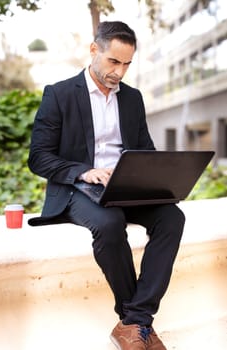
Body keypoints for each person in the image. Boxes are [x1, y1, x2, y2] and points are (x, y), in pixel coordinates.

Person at [28, 21, 185, 350]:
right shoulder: (58, 94)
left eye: (127, 64)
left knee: (172, 217)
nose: (120, 71)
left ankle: (136, 321)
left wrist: (154, 174)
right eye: (114, 61)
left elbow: (145, 149)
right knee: (110, 224)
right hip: (78, 188)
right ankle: (135, 322)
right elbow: (39, 158)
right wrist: (85, 172)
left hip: (126, 184)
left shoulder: (132, 99)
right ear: (94, 50)